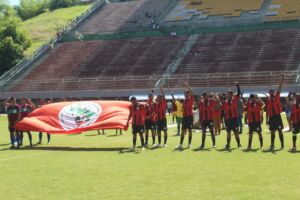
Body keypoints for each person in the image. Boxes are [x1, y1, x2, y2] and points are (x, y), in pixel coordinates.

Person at [265, 74, 285, 150]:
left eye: (272, 92)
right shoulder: (268, 100)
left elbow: (280, 87)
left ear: (274, 92)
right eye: (270, 92)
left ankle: (282, 145)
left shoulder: (277, 96)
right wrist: (267, 119)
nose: (271, 93)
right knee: (272, 131)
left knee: (280, 130)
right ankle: (272, 145)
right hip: (271, 117)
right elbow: (267, 110)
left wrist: (282, 79)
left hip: (277, 116)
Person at [222, 81, 242, 149]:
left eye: (229, 93)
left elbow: (239, 93)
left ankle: (239, 144)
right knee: (228, 133)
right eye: (227, 94)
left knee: (236, 132)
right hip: (228, 120)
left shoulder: (235, 99)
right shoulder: (225, 102)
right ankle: (228, 144)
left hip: (234, 119)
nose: (228, 95)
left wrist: (237, 85)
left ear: (231, 94)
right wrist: (222, 119)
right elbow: (223, 111)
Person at [177, 82, 194, 149]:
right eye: (184, 93)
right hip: (184, 117)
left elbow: (192, 92)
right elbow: (183, 108)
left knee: (190, 130)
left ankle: (189, 144)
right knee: (183, 130)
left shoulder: (191, 99)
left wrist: (187, 85)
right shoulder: (184, 101)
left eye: (185, 93)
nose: (184, 94)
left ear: (188, 94)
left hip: (189, 117)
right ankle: (181, 144)